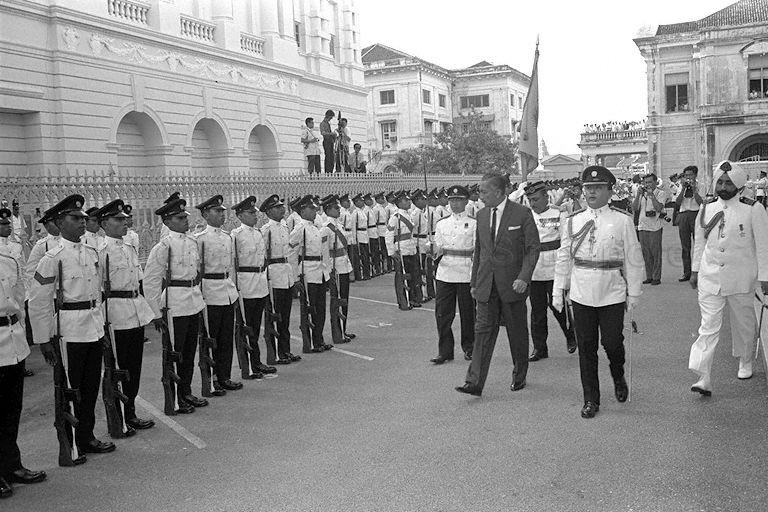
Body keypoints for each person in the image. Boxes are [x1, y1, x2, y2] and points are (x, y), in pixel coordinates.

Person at [28, 194, 117, 455]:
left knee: (90, 388)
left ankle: (87, 436)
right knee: (69, 389)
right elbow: (39, 301)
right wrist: (44, 339)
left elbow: (98, 293)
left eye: (82, 218)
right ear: (59, 222)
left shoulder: (91, 253)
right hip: (69, 330)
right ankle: (70, 445)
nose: (82, 222)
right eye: (75, 218)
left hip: (93, 326)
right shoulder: (52, 258)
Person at [552, 166, 644, 419]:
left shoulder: (622, 220)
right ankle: (591, 398)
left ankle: (617, 373)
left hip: (612, 291)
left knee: (612, 343)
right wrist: (558, 290)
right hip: (582, 293)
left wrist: (634, 294)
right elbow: (564, 257)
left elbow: (633, 260)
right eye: (587, 188)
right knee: (587, 347)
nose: (591, 192)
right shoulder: (573, 221)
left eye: (597, 187)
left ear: (609, 191)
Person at [455, 174, 540, 397]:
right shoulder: (481, 215)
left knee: (517, 333)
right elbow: (480, 251)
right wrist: (474, 282)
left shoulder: (522, 213)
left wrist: (524, 277)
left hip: (513, 284)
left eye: (484, 192)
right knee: (482, 332)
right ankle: (474, 381)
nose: (480, 195)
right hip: (486, 285)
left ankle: (519, 373)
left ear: (499, 192)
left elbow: (532, 248)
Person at [688, 161, 768, 395]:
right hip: (710, 277)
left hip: (741, 278)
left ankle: (745, 360)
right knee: (708, 326)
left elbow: (763, 246)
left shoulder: (753, 209)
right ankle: (703, 376)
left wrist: (765, 276)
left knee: (743, 324)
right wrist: (694, 270)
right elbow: (700, 243)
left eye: (728, 182)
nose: (723, 186)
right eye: (720, 181)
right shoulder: (707, 208)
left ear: (739, 184)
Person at [95, 199, 155, 431]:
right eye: (118, 219)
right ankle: (118, 417)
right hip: (115, 313)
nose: (124, 222)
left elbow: (137, 282)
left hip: (134, 310)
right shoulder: (100, 252)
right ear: (104, 224)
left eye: (124, 219)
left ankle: (130, 412)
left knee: (133, 366)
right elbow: (96, 288)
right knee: (118, 367)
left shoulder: (129, 247)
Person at [0, 207, 46, 499]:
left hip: (12, 338)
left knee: (11, 408)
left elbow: (19, 297)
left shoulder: (10, 257)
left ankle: (11, 465)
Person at [143, 196, 206, 413]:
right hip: (174, 303)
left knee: (189, 352)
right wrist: (155, 312)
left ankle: (186, 391)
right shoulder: (163, 247)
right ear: (168, 222)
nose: (185, 221)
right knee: (174, 354)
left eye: (185, 217)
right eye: (180, 218)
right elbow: (151, 281)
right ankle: (175, 398)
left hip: (192, 300)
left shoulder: (191, 242)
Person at [195, 195, 242, 393]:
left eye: (223, 211)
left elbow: (231, 266)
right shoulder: (200, 239)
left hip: (226, 290)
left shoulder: (228, 237)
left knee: (225, 337)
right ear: (206, 214)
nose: (222, 214)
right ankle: (211, 379)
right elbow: (196, 269)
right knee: (210, 337)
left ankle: (224, 376)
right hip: (210, 291)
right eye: (217, 211)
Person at [524, 181, 575, 362]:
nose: (533, 203)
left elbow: (566, 241)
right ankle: (539, 348)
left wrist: (566, 269)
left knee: (558, 306)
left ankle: (570, 335)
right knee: (537, 311)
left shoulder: (559, 214)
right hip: (535, 268)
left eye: (536, 199)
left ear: (546, 197)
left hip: (555, 266)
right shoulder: (526, 216)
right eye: (530, 200)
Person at [231, 196, 278, 379]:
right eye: (251, 213)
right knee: (245, 326)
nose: (255, 216)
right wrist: (235, 288)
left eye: (255, 213)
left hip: (259, 282)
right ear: (240, 216)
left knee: (256, 326)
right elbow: (232, 264)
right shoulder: (236, 235)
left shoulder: (258, 233)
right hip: (245, 284)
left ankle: (256, 361)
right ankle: (247, 366)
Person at [430, 185, 476, 364]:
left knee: (468, 314)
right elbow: (438, 248)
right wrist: (431, 249)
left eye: (458, 200)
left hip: (465, 272)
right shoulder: (441, 223)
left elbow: (477, 250)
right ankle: (445, 351)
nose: (455, 203)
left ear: (466, 201)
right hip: (446, 273)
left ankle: (470, 347)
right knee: (442, 314)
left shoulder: (474, 223)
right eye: (452, 200)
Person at [260, 194, 301, 364]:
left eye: (282, 206)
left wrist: (294, 277)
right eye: (277, 207)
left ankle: (286, 350)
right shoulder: (266, 230)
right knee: (275, 315)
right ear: (269, 211)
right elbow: (262, 256)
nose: (282, 209)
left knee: (285, 315)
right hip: (273, 275)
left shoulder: (285, 228)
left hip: (285, 273)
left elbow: (289, 255)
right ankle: (276, 353)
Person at [290, 195, 331, 352]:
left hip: (319, 271)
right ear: (302, 210)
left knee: (320, 308)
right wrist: (295, 278)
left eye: (315, 208)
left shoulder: (314, 228)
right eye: (311, 208)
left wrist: (326, 271)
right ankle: (310, 342)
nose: (315, 211)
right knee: (309, 308)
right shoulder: (300, 229)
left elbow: (322, 252)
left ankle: (319, 339)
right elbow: (292, 254)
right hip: (307, 271)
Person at [384, 191, 422, 310]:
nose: (409, 202)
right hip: (401, 249)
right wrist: (391, 251)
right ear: (399, 203)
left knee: (412, 275)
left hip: (410, 247)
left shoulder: (408, 214)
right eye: (406, 200)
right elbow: (389, 235)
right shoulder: (395, 217)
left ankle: (413, 298)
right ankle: (403, 301)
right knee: (403, 276)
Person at [633, 173, 666, 285]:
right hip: (642, 226)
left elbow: (659, 208)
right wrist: (638, 195)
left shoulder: (661, 193)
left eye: (650, 182)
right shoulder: (642, 194)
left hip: (655, 227)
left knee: (655, 253)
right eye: (646, 182)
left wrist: (652, 196)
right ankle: (649, 276)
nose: (648, 184)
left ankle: (656, 277)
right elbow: (634, 208)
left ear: (655, 182)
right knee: (645, 253)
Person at [675, 165, 704, 282]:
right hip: (683, 215)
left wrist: (694, 189)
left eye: (690, 175)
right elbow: (677, 202)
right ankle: (686, 272)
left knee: (699, 244)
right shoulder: (681, 186)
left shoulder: (700, 185)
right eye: (686, 175)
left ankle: (700, 271)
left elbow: (701, 202)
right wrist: (683, 189)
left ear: (695, 175)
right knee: (685, 246)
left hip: (696, 213)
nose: (688, 177)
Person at [353, 193, 371, 280]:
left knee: (366, 255)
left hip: (364, 234)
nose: (362, 202)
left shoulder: (362, 212)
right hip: (359, 235)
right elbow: (354, 227)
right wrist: (355, 239)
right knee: (361, 256)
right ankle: (361, 274)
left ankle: (367, 273)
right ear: (356, 202)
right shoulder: (355, 213)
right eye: (360, 201)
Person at [319, 109, 336, 174]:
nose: (331, 119)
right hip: (326, 141)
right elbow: (323, 133)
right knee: (328, 157)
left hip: (331, 141)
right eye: (330, 117)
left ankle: (331, 171)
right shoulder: (322, 124)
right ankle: (327, 171)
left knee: (332, 157)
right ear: (328, 116)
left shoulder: (328, 124)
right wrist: (331, 134)